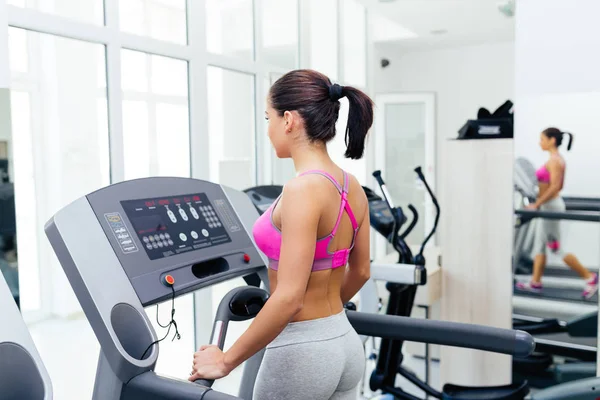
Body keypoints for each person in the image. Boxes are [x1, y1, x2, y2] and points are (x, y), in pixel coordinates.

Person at [189, 69, 374, 399]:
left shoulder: (303, 189)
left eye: (268, 118)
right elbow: (361, 272)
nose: (269, 129)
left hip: (302, 353)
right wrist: (325, 325)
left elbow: (289, 298)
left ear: (288, 120)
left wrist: (224, 361)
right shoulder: (352, 185)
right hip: (343, 340)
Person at [516, 127, 598, 299]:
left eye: (542, 139)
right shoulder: (558, 159)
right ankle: (535, 282)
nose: (540, 143)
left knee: (556, 249)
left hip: (550, 206)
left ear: (552, 140)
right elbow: (559, 186)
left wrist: (537, 203)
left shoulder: (554, 161)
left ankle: (590, 277)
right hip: (548, 206)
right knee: (539, 246)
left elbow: (554, 187)